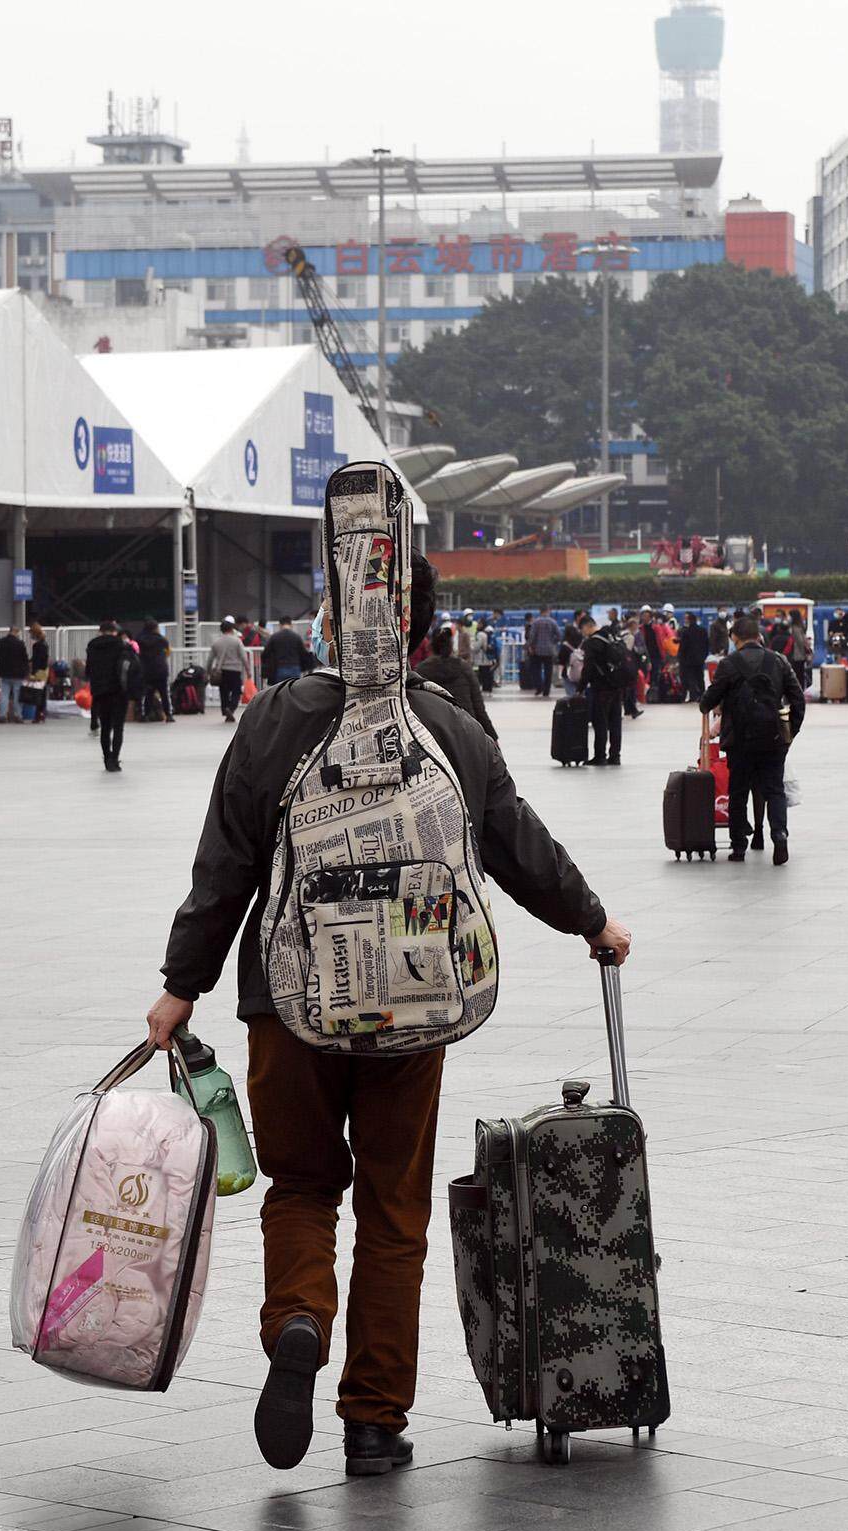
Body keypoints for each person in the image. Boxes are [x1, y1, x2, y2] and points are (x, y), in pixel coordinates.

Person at [146, 552, 630, 1481]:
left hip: (286, 1004)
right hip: (412, 1009)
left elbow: (225, 866)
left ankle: (298, 1319)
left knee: (299, 1184)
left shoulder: (273, 719)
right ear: (419, 629)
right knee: (394, 1210)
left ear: (336, 618)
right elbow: (519, 846)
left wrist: (181, 984)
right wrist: (593, 920)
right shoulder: (449, 725)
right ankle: (373, 1421)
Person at [698, 614, 805, 864]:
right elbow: (797, 698)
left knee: (738, 791)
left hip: (740, 740)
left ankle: (738, 847)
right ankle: (779, 835)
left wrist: (710, 704)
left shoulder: (728, 664)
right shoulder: (779, 661)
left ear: (734, 638)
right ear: (758, 636)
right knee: (774, 790)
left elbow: (708, 700)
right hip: (774, 738)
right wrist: (790, 733)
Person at [413, 620, 496, 739]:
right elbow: (479, 707)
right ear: (451, 646)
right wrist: (492, 736)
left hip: (434, 734)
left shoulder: (420, 671)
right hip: (467, 730)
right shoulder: (464, 668)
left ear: (430, 645)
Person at [84, 618, 140, 770]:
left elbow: (88, 670)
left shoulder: (92, 646)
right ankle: (114, 759)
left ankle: (106, 757)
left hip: (100, 691)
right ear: (115, 631)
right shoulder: (121, 645)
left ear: (100, 631)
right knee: (118, 727)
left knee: (105, 727)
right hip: (118, 691)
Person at [575, 613, 626, 765]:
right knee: (616, 722)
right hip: (617, 686)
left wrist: (581, 688)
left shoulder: (592, 643)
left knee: (601, 722)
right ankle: (615, 755)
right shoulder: (611, 636)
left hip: (601, 688)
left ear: (587, 626)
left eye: (582, 630)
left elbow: (588, 668)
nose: (582, 633)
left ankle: (600, 756)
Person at [207, 616, 252, 722]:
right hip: (235, 670)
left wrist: (208, 672)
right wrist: (248, 670)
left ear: (221, 630)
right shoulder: (237, 641)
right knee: (236, 691)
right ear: (232, 629)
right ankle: (231, 709)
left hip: (221, 671)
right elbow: (243, 657)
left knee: (224, 692)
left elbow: (210, 659)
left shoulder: (216, 642)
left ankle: (225, 709)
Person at [137, 619, 174, 724]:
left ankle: (145, 715)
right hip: (161, 670)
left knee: (147, 693)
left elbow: (138, 652)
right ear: (155, 628)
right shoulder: (162, 640)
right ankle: (169, 715)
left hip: (147, 670)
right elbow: (168, 652)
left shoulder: (140, 639)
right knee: (164, 694)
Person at [0, 625, 29, 723]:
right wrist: (26, 671)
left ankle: (2, 716)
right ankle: (18, 715)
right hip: (18, 674)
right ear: (17, 632)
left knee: (4, 694)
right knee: (17, 695)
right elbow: (24, 659)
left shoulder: (0, 642)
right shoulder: (20, 644)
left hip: (5, 672)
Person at [262, 617, 308, 684]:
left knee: (280, 690)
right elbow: (303, 653)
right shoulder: (297, 637)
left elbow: (266, 653)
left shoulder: (274, 637)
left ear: (280, 625)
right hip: (295, 668)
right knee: (294, 690)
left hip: (279, 668)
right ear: (291, 624)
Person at [524, 610, 560, 694]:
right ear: (548, 611)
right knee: (548, 671)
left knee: (535, 670)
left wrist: (528, 646)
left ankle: (539, 686)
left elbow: (532, 636)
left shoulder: (535, 622)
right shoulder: (553, 622)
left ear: (540, 612)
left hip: (537, 650)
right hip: (549, 650)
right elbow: (559, 635)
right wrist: (552, 642)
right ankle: (546, 690)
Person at [677, 611, 709, 703]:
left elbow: (683, 646)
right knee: (700, 677)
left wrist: (680, 657)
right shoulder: (703, 630)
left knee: (691, 678)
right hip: (700, 658)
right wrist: (704, 655)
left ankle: (693, 696)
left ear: (689, 620)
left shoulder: (686, 632)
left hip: (689, 659)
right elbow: (707, 644)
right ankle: (703, 695)